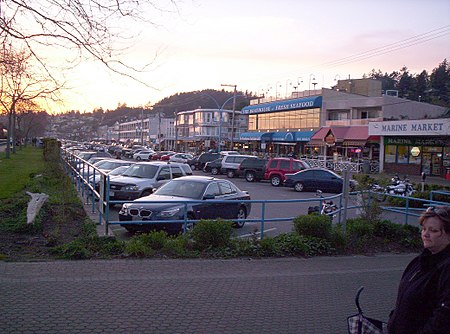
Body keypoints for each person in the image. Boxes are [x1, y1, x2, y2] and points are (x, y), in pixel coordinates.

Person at [387, 206, 450, 334]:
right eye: (424, 229)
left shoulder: (446, 269)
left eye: (433, 230)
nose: (425, 234)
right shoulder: (419, 261)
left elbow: (442, 320)